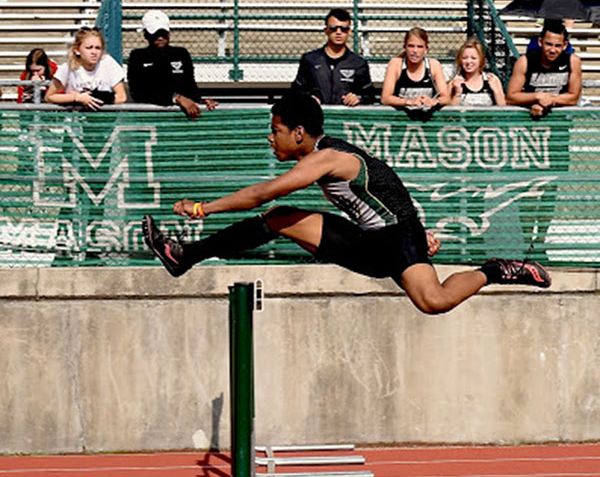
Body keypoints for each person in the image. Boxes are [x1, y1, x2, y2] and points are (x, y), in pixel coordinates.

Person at [142, 92, 551, 316]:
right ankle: (185, 256)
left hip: (390, 240)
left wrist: (202, 209)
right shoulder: (321, 154)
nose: (271, 139)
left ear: (299, 133)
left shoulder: (326, 158)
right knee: (280, 219)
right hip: (377, 236)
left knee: (434, 301)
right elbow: (383, 183)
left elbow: (264, 191)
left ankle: (496, 270)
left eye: (276, 131)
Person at [127, 10, 218, 119]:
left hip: (183, 116)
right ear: (146, 35)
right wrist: (176, 98)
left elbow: (190, 86)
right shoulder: (137, 56)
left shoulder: (181, 54)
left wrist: (200, 100)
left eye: (163, 33)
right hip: (151, 117)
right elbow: (139, 92)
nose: (160, 37)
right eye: (155, 33)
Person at [290, 8, 375, 107]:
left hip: (346, 118)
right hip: (315, 117)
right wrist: (308, 98)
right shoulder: (310, 59)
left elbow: (370, 95)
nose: (338, 32)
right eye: (333, 28)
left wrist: (358, 99)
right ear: (326, 30)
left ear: (349, 32)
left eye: (343, 29)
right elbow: (295, 91)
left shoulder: (358, 63)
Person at [507, 19, 581, 118]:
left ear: (565, 46)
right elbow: (511, 97)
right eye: (549, 44)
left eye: (558, 46)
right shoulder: (525, 61)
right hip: (529, 119)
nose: (553, 50)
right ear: (540, 42)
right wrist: (536, 97)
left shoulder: (573, 61)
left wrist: (549, 100)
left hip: (560, 120)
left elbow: (573, 97)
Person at [45, 27, 126, 109]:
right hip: (75, 117)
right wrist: (76, 97)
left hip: (102, 117)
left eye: (98, 48)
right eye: (89, 48)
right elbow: (49, 97)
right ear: (77, 50)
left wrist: (96, 99)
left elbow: (121, 97)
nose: (94, 52)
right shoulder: (68, 67)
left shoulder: (108, 62)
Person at [380, 27, 450, 115]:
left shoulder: (433, 65)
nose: (415, 51)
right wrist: (410, 102)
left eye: (420, 47)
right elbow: (385, 98)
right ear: (404, 47)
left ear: (426, 49)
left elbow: (446, 98)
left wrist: (433, 101)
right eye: (411, 46)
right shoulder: (396, 64)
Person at [449, 38, 506, 107]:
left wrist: (496, 92)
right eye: (464, 58)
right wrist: (457, 94)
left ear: (481, 60)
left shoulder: (492, 79)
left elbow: (503, 107)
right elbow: (449, 113)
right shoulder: (454, 82)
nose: (468, 61)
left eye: (473, 58)